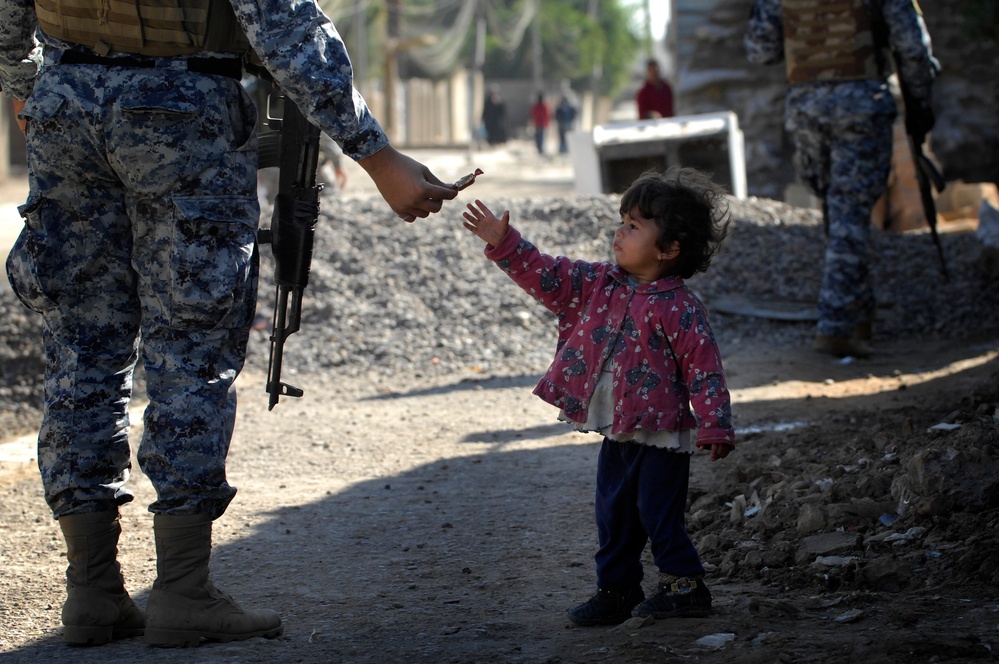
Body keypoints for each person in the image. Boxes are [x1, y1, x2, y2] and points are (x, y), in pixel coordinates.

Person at [0, 0, 458, 648]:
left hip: (65, 107)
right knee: (191, 343)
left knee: (83, 347)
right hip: (181, 107)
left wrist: (29, 91)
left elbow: (9, 23)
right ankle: (183, 592)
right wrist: (376, 157)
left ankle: (93, 591)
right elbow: (286, 25)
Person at [461, 167, 735, 627]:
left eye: (633, 226)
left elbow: (704, 370)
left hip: (663, 436)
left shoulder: (681, 308)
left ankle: (685, 587)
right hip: (620, 432)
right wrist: (505, 243)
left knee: (657, 513)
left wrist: (715, 424)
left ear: (669, 250)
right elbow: (548, 275)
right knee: (613, 515)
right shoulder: (597, 283)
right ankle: (617, 591)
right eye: (621, 221)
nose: (619, 232)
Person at [745, 0, 939, 358]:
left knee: (840, 214)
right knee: (848, 211)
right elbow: (913, 47)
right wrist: (920, 103)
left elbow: (760, 50)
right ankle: (836, 325)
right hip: (861, 106)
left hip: (806, 111)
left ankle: (857, 316)